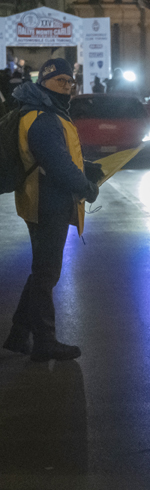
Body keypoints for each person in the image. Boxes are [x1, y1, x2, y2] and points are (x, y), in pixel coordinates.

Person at [5, 58, 101, 361]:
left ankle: (19, 334)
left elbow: (60, 155)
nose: (68, 87)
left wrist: (87, 168)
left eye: (70, 82)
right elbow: (56, 163)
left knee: (42, 271)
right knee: (47, 273)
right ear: (43, 82)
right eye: (61, 81)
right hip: (47, 202)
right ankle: (45, 341)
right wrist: (86, 186)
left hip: (42, 200)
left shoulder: (45, 113)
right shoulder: (43, 117)